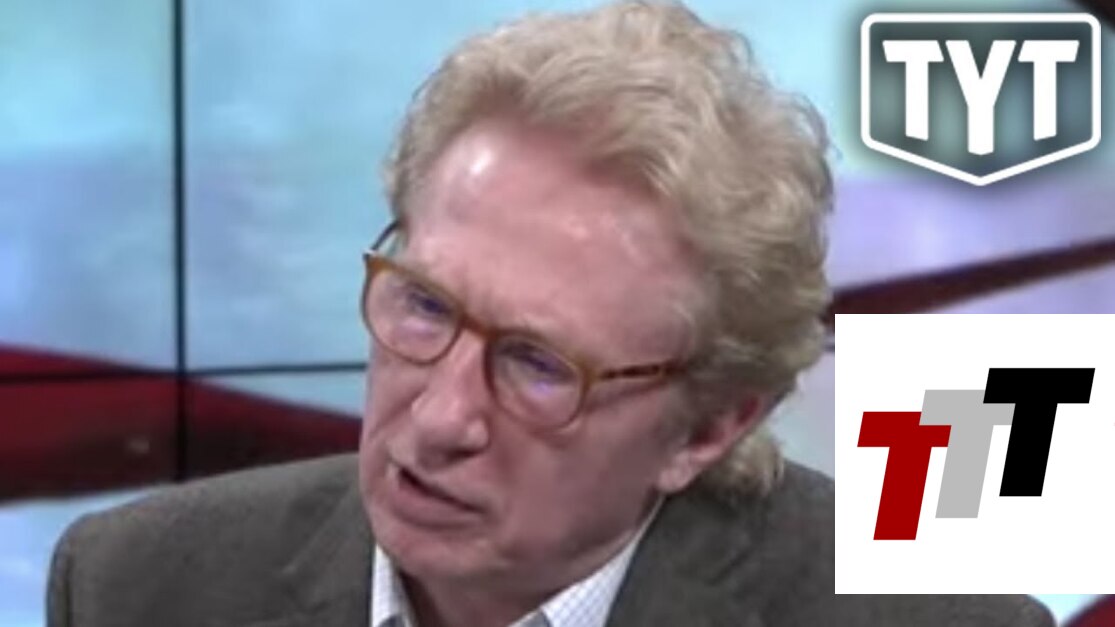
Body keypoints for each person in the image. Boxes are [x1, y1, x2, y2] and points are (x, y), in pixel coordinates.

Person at [47, 2, 1053, 626]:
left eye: (538, 364)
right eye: (425, 305)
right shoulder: (137, 589)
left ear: (706, 427)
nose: (439, 419)